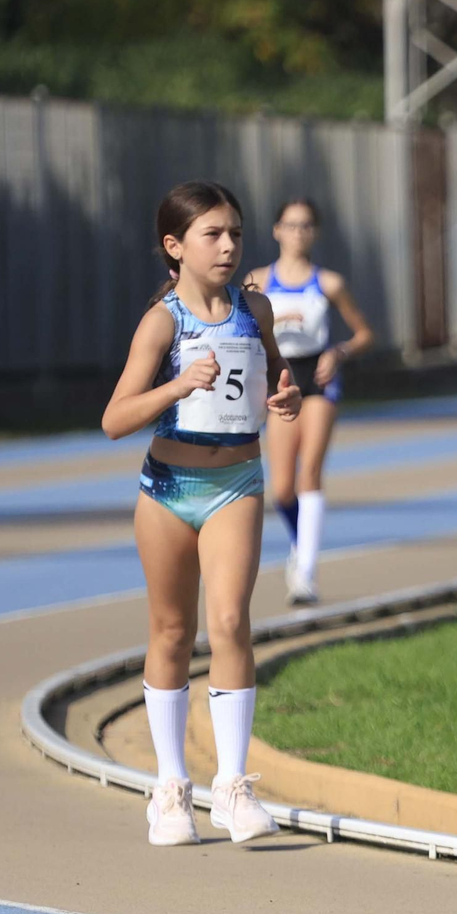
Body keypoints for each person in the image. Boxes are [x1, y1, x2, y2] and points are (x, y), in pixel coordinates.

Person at [102, 180, 302, 847]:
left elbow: (275, 375)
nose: (227, 245)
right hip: (167, 489)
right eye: (212, 234)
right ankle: (169, 791)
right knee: (171, 631)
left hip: (236, 482)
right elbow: (114, 419)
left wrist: (286, 396)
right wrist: (179, 384)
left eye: (235, 234)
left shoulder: (256, 308)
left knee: (230, 622)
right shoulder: (163, 322)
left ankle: (235, 789)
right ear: (174, 246)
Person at [245, 199, 373, 606]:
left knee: (310, 474)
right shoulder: (259, 281)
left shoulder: (328, 283)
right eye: (290, 224)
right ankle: (302, 547)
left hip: (318, 379)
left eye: (305, 226)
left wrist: (339, 353)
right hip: (282, 379)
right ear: (276, 230)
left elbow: (364, 334)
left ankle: (306, 574)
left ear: (314, 233)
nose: (298, 233)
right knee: (282, 489)